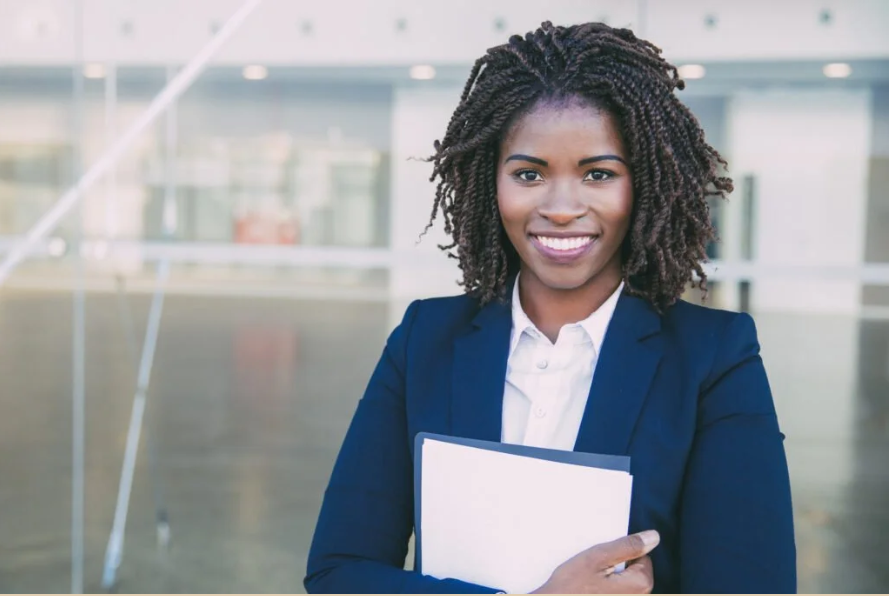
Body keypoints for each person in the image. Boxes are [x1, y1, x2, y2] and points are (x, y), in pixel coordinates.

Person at [305, 21, 796, 594]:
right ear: (492, 183)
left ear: (644, 188)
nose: (562, 207)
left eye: (598, 173)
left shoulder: (714, 358)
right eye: (530, 173)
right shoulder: (424, 339)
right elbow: (339, 572)